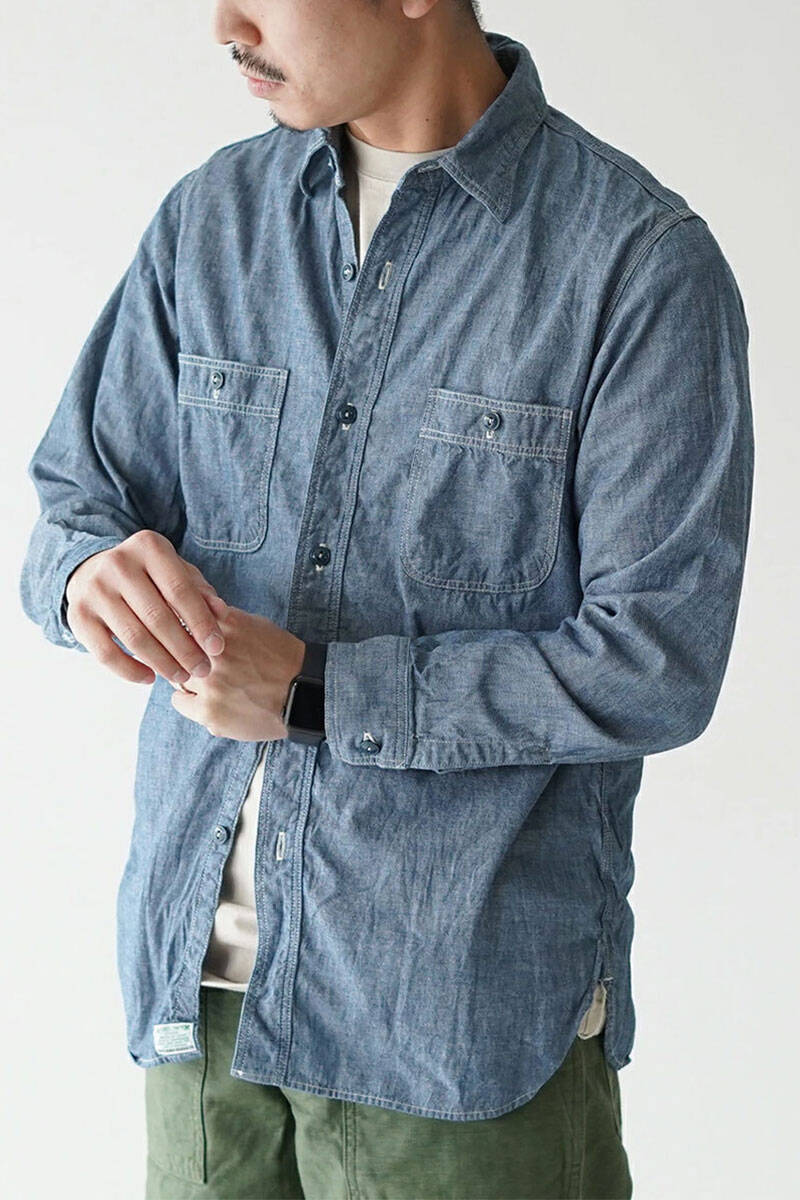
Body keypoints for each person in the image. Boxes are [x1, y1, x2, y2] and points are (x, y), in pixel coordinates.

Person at [19, 1, 754, 1197]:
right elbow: (77, 502)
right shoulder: (213, 218)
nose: (226, 24)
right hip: (197, 1001)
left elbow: (654, 660)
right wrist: (87, 573)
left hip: (453, 1028)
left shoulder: (632, 260)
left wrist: (318, 691)